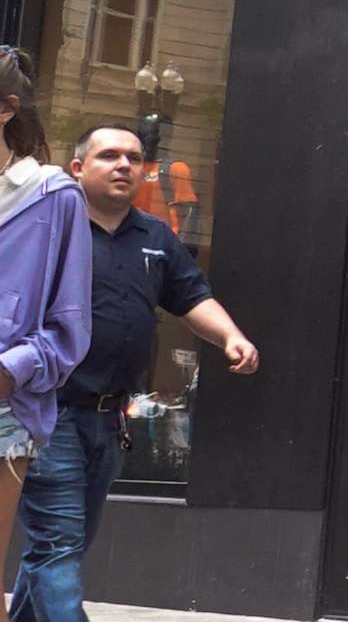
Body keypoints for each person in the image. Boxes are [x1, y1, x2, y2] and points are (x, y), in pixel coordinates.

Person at [12, 126, 257, 622]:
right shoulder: (50, 226)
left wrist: (231, 336)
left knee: (60, 547)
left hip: (109, 419)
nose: (124, 164)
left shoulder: (155, 235)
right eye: (109, 155)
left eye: (134, 157)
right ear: (78, 167)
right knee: (57, 544)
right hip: (48, 412)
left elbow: (191, 298)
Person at [0, 50, 90, 542]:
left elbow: (70, 323)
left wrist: (10, 369)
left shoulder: (51, 195)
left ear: (7, 108)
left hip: (4, 407)